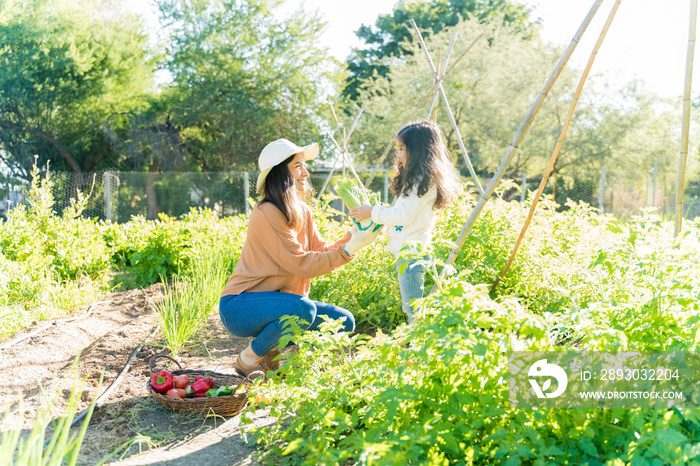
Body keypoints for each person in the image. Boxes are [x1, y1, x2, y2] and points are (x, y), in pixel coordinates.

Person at [220, 138, 379, 377]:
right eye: (298, 166)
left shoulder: (304, 211)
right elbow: (300, 263)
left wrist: (353, 235)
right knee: (303, 309)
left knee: (344, 322)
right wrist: (346, 251)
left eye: (304, 166)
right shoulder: (266, 213)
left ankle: (270, 353)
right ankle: (248, 359)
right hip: (240, 307)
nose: (305, 172)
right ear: (280, 173)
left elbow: (321, 250)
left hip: (279, 303)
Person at [350, 120, 461, 324]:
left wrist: (373, 211)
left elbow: (403, 216)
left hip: (411, 255)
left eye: (401, 149)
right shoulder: (417, 180)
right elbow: (401, 215)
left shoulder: (422, 181)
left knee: (413, 308)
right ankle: (420, 345)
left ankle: (418, 348)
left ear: (417, 150)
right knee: (413, 306)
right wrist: (376, 218)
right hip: (409, 253)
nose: (398, 154)